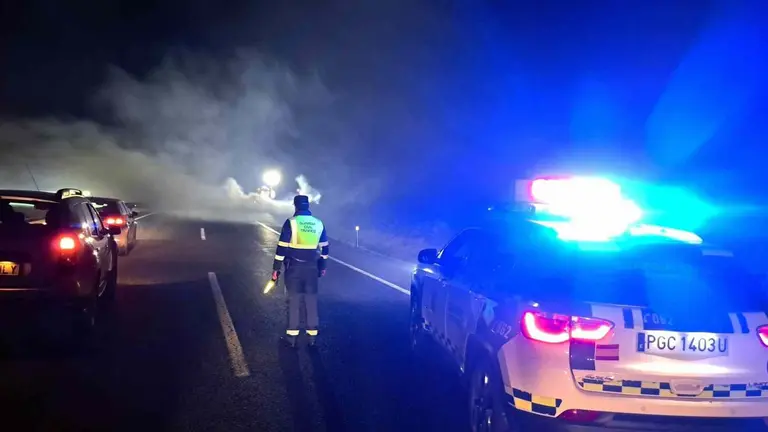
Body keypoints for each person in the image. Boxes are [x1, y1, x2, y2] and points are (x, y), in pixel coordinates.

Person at [272, 195, 329, 347]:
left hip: (294, 268)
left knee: (294, 301)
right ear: (308, 206)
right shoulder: (318, 223)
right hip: (312, 268)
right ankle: (312, 337)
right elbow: (325, 248)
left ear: (295, 206)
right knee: (311, 300)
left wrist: (276, 268)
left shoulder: (291, 222)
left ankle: (292, 338)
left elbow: (282, 248)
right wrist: (322, 266)